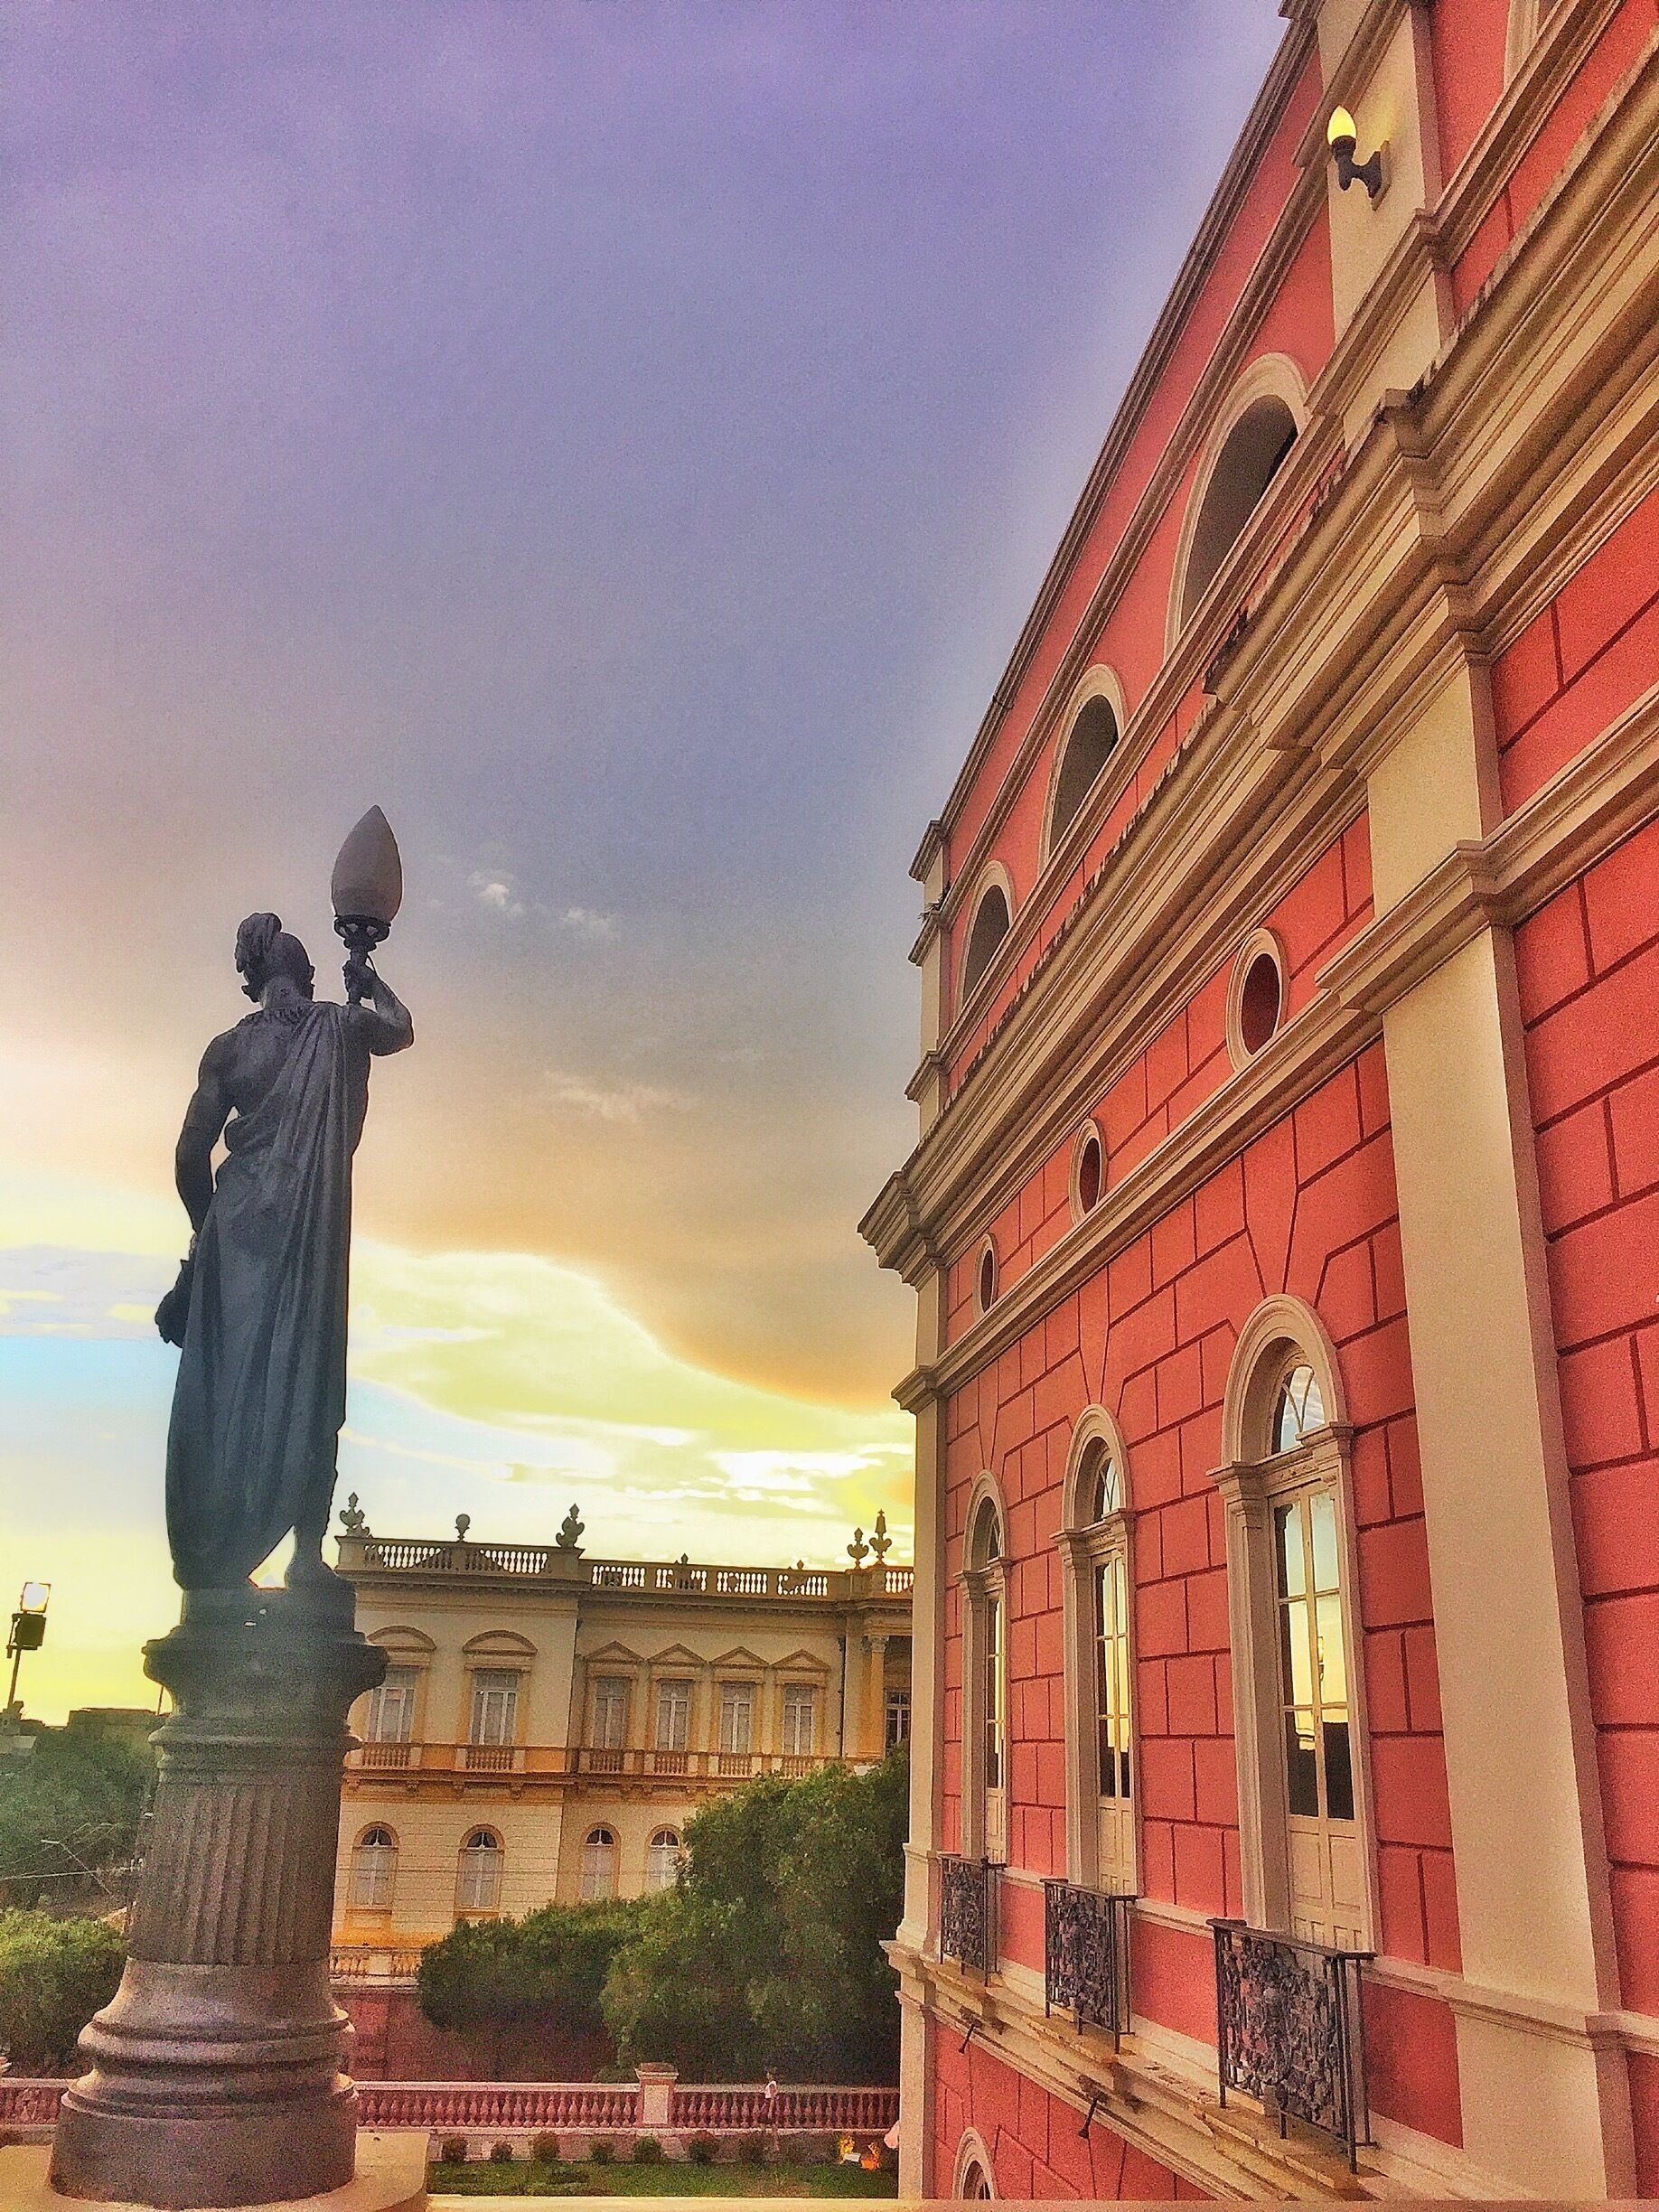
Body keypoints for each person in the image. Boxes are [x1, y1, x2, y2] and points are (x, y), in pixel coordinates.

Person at [155, 912, 413, 1590]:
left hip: (234, 1227)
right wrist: (370, 979)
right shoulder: (336, 1022)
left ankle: (217, 1546)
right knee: (309, 1378)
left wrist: (204, 1239)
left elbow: (189, 1155)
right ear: (301, 974)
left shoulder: (228, 1049)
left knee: (226, 1390)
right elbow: (399, 1029)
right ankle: (305, 1556)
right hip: (309, 1220)